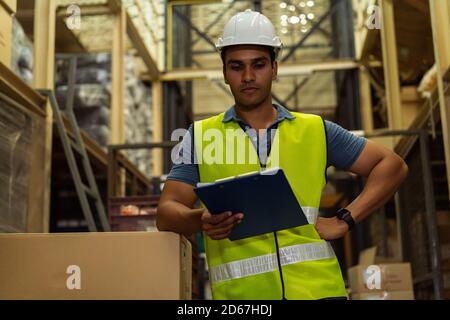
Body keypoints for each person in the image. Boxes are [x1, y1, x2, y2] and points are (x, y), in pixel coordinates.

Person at [157, 9, 408, 300]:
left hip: (318, 292)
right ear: (225, 73)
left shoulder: (316, 129)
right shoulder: (200, 137)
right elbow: (166, 212)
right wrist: (200, 219)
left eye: (259, 65)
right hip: (244, 299)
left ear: (274, 68)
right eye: (236, 66)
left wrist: (344, 219)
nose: (248, 76)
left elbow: (391, 165)